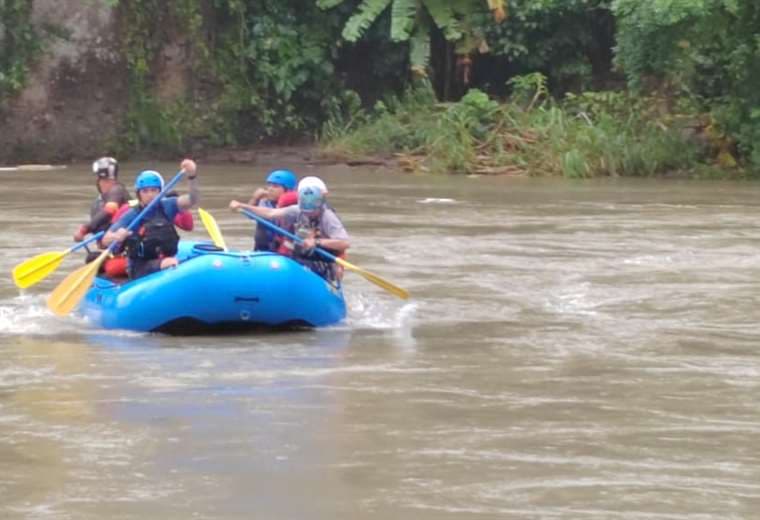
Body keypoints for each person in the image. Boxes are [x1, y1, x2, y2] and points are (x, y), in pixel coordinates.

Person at [230, 176, 349, 281]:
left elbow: (344, 243)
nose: (308, 213)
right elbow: (270, 213)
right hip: (303, 257)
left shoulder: (328, 217)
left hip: (324, 260)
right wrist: (243, 206)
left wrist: (317, 242)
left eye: (312, 211)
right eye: (305, 209)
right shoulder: (297, 210)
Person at [102, 159, 199, 280]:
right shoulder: (132, 215)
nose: (150, 194)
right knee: (168, 262)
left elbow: (192, 199)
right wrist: (116, 236)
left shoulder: (168, 206)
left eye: (154, 190)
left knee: (171, 262)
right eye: (145, 191)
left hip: (165, 259)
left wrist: (192, 176)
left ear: (160, 192)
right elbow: (105, 240)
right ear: (139, 194)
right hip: (140, 268)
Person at [74, 157, 131, 277]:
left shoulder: (117, 190)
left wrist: (84, 229)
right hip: (110, 249)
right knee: (92, 259)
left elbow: (110, 210)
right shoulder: (99, 201)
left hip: (125, 248)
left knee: (103, 264)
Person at [247, 169, 298, 251]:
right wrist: (255, 199)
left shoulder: (295, 207)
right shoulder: (265, 202)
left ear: (288, 190)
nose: (270, 189)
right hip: (263, 249)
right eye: (269, 185)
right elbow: (249, 215)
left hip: (284, 250)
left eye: (275, 186)